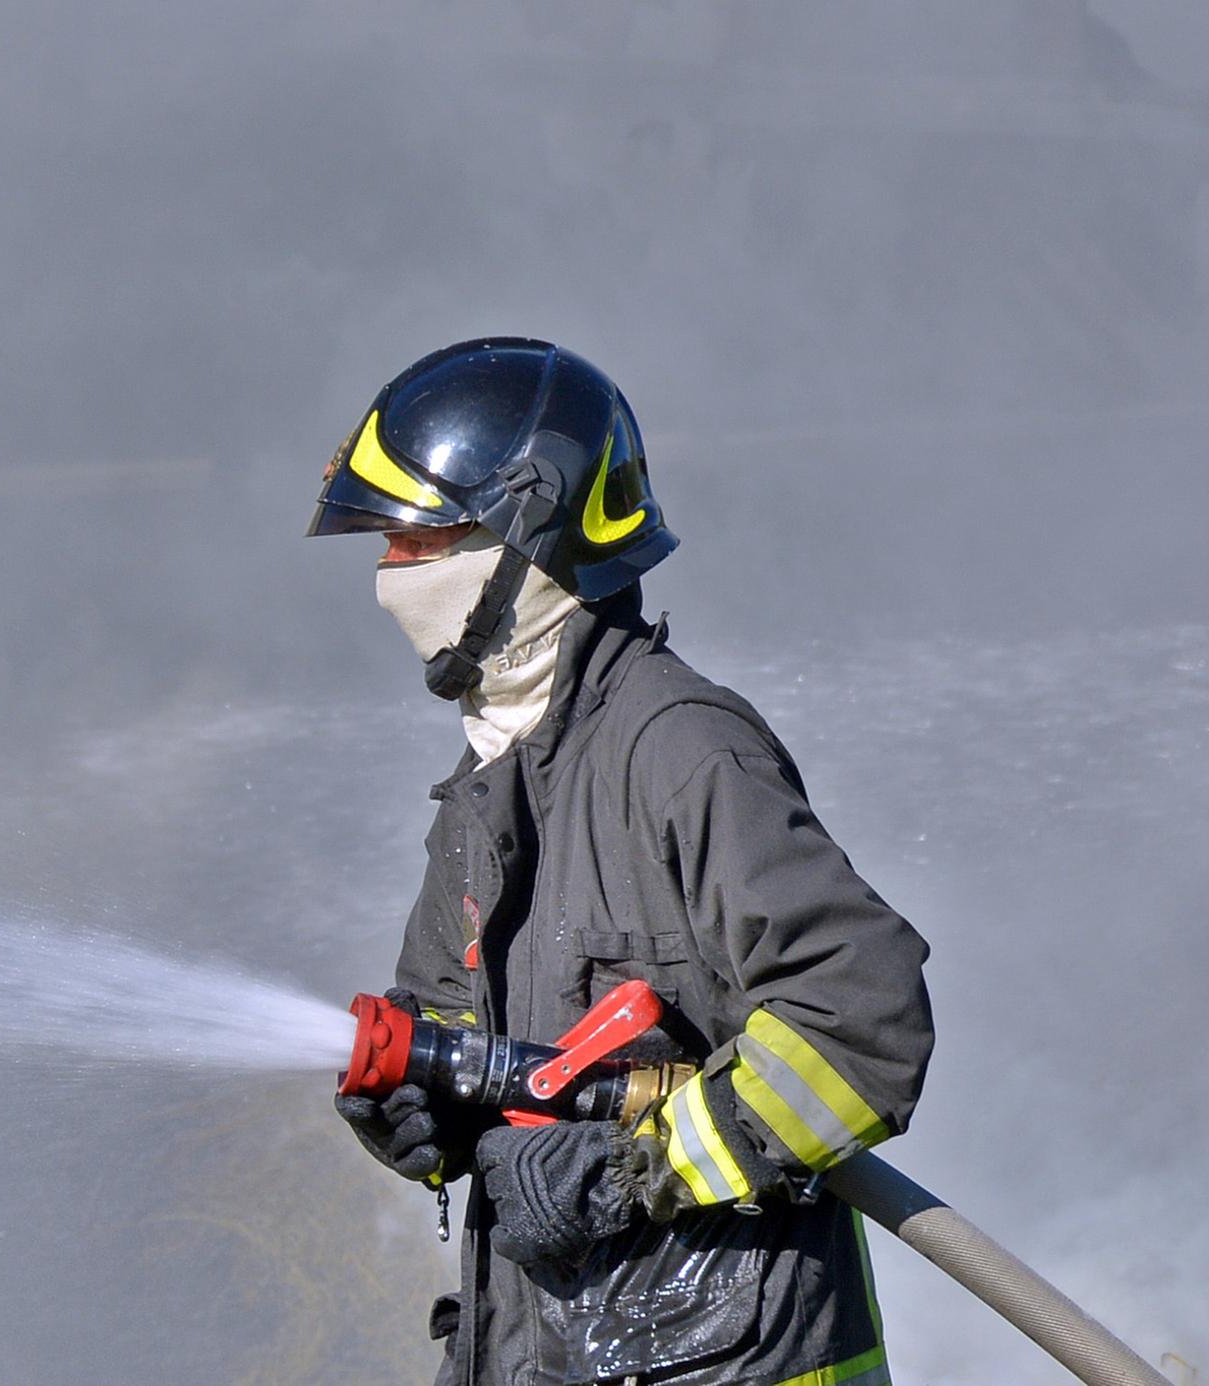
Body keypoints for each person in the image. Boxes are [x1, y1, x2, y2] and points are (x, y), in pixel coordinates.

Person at [317, 339, 935, 1386]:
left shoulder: (682, 749)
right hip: (547, 1350)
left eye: (417, 539)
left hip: (727, 1358)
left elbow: (860, 1020)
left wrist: (627, 1169)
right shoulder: (486, 785)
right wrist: (415, 1107)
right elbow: (460, 1041)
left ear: (524, 529)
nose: (391, 576)